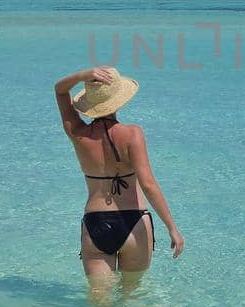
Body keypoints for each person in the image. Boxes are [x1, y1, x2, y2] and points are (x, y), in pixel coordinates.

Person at [53, 67, 183, 290]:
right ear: (119, 99)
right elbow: (148, 184)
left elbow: (59, 90)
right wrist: (172, 227)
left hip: (96, 223)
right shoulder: (133, 134)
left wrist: (83, 75)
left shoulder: (77, 133)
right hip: (134, 223)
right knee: (131, 301)